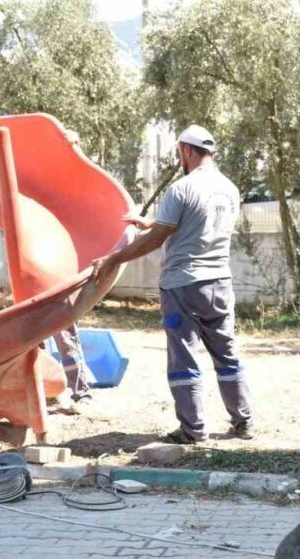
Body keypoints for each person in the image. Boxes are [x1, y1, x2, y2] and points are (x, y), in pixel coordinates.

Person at [92, 124, 253, 444]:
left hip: (184, 286)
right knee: (227, 354)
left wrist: (113, 259)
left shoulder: (182, 189)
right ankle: (244, 421)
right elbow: (196, 222)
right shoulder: (230, 189)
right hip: (220, 283)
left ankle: (193, 429)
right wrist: (152, 221)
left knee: (184, 358)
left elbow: (157, 239)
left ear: (187, 151)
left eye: (180, 151)